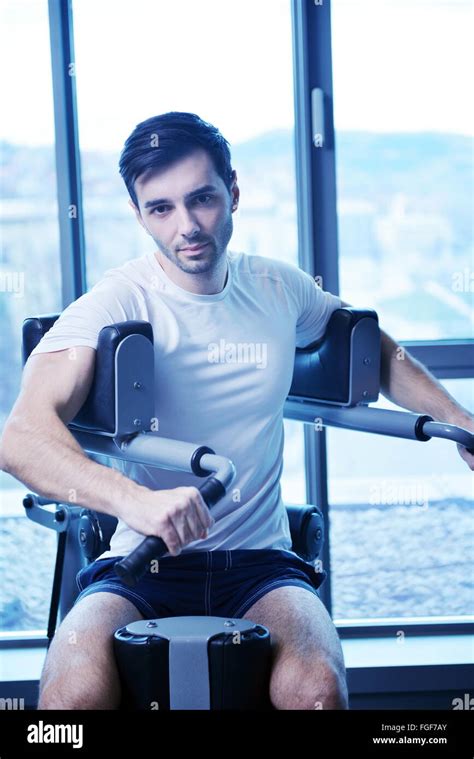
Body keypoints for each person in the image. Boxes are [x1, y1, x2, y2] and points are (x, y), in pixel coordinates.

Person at [1, 112, 472, 711]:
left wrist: (461, 418)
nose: (188, 226)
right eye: (161, 208)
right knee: (72, 694)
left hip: (260, 562)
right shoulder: (114, 301)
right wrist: (138, 503)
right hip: (141, 560)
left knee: (316, 689)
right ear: (139, 214)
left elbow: (372, 350)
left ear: (234, 192)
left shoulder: (278, 289)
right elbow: (20, 438)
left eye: (203, 199)